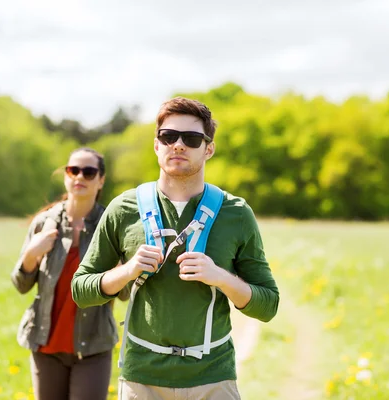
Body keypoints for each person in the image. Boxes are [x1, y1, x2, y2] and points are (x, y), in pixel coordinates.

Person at [71, 97, 280, 399]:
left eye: (192, 139)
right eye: (168, 137)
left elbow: (268, 305)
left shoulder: (236, 213)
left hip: (212, 378)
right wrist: (128, 271)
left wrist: (220, 276)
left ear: (208, 149)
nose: (178, 145)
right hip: (141, 379)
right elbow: (81, 290)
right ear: (157, 145)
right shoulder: (123, 209)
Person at [11, 147, 127, 400]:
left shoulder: (112, 226)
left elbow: (124, 295)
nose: (79, 177)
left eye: (88, 172)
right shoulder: (44, 223)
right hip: (46, 344)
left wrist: (122, 270)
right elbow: (20, 284)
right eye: (73, 170)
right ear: (65, 175)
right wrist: (31, 255)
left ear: (101, 180)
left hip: (94, 346)